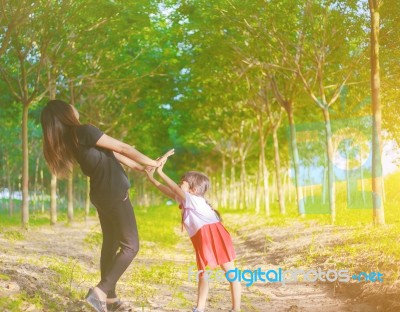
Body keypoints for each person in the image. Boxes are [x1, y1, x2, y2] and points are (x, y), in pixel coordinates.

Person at [41, 100, 174, 312]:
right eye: (70, 105)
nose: (75, 106)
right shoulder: (83, 130)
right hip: (113, 192)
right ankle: (100, 292)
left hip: (102, 193)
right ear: (65, 113)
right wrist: (154, 163)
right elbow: (123, 147)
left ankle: (110, 300)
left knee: (111, 244)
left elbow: (114, 153)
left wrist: (141, 165)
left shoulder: (72, 138)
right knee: (131, 246)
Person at [145, 159, 241, 312]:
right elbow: (167, 190)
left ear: (193, 189)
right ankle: (200, 308)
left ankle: (236, 309)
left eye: (182, 182)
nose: (178, 184)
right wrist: (151, 178)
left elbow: (173, 188)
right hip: (203, 237)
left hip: (214, 234)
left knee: (230, 272)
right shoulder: (186, 198)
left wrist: (161, 172)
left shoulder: (193, 199)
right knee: (203, 273)